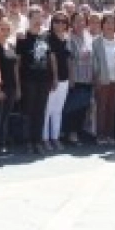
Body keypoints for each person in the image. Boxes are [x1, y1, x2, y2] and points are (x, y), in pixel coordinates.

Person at [18, 6, 54, 155]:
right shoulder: (23, 36)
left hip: (44, 78)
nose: (39, 20)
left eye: (41, 17)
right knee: (28, 110)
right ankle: (27, 141)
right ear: (30, 18)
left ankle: (37, 140)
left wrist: (55, 77)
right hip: (28, 78)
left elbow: (51, 57)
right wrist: (18, 81)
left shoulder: (47, 35)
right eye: (36, 17)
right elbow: (18, 61)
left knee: (40, 110)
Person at [91, 14, 115, 146]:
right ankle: (100, 135)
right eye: (107, 23)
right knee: (101, 108)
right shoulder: (96, 41)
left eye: (112, 23)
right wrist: (97, 78)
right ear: (102, 25)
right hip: (103, 79)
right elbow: (94, 62)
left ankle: (110, 135)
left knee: (112, 108)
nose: (110, 26)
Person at [64, 12, 95, 145]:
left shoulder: (88, 36)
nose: (80, 23)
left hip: (88, 77)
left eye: (82, 21)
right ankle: (71, 133)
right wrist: (71, 78)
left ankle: (78, 131)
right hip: (75, 77)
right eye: (77, 21)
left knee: (83, 107)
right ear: (72, 23)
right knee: (73, 107)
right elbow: (69, 59)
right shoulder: (69, 38)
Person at [42, 12, 72, 150]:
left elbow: (68, 59)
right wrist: (54, 77)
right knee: (47, 109)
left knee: (58, 110)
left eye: (63, 22)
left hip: (65, 78)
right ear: (52, 22)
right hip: (52, 78)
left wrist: (70, 78)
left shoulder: (67, 38)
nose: (60, 24)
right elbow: (52, 58)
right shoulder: (48, 37)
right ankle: (45, 139)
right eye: (57, 21)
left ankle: (55, 137)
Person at [0, 17, 19, 156]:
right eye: (2, 28)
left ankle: (2, 143)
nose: (5, 31)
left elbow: (15, 68)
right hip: (0, 86)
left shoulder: (11, 46)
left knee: (6, 116)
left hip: (11, 86)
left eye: (8, 29)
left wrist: (18, 87)